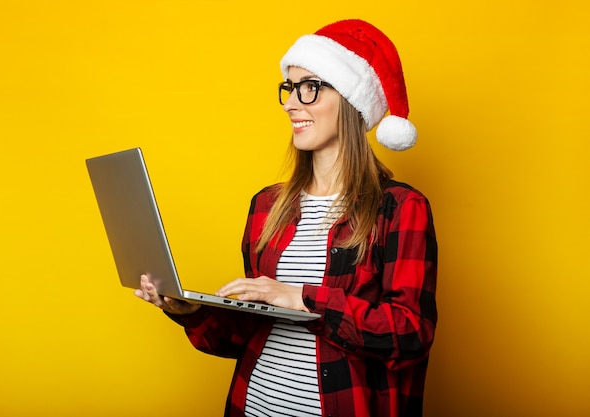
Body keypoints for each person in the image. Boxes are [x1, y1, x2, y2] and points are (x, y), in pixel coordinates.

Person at [135, 19, 437, 417]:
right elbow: (248, 334)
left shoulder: (400, 208)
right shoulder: (267, 206)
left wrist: (301, 298)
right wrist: (190, 312)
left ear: (350, 100)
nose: (291, 103)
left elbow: (411, 334)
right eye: (289, 88)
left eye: (309, 87)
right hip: (253, 405)